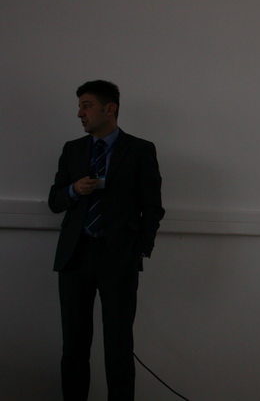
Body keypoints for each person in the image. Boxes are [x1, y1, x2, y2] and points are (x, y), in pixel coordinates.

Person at [48, 80, 165, 401]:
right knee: (74, 346)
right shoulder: (72, 149)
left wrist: (140, 249)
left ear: (109, 108)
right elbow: (55, 200)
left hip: (118, 258)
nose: (79, 114)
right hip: (75, 257)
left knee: (118, 345)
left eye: (86, 106)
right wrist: (73, 190)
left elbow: (153, 206)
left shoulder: (140, 150)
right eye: (79, 106)